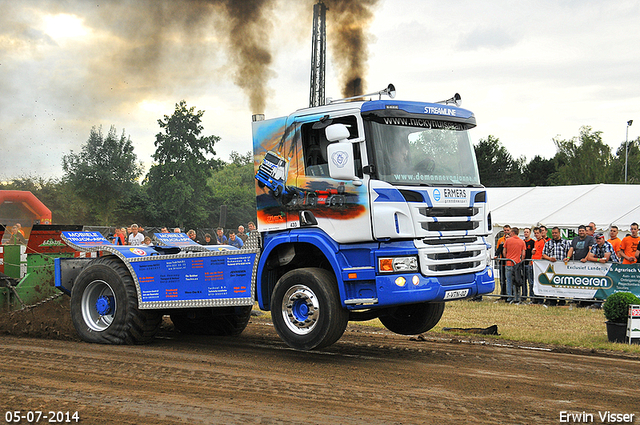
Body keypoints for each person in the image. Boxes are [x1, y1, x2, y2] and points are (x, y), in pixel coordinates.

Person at [502, 227, 526, 303]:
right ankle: (517, 296)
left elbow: (504, 251)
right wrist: (521, 261)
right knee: (517, 281)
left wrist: (507, 258)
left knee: (509, 281)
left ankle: (509, 297)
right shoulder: (522, 241)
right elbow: (523, 254)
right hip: (517, 264)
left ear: (512, 232)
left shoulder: (508, 240)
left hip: (509, 263)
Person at [494, 225, 511, 298]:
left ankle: (509, 293)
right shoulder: (500, 240)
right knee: (502, 279)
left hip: (509, 262)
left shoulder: (512, 240)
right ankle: (503, 294)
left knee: (509, 279)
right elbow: (498, 250)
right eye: (505, 230)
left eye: (507, 230)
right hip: (502, 261)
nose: (506, 231)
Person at [523, 227, 535, 300]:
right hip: (523, 263)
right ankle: (524, 296)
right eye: (524, 232)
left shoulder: (533, 242)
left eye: (527, 232)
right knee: (523, 281)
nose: (525, 233)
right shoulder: (522, 242)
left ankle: (531, 296)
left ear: (530, 233)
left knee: (530, 281)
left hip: (530, 263)